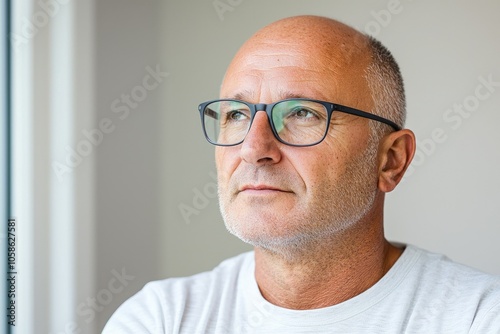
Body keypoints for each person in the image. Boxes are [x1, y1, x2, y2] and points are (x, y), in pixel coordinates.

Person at [103, 15, 500, 333]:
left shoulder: (477, 319)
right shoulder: (159, 319)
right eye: (237, 115)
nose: (253, 149)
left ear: (391, 160)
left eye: (301, 113)